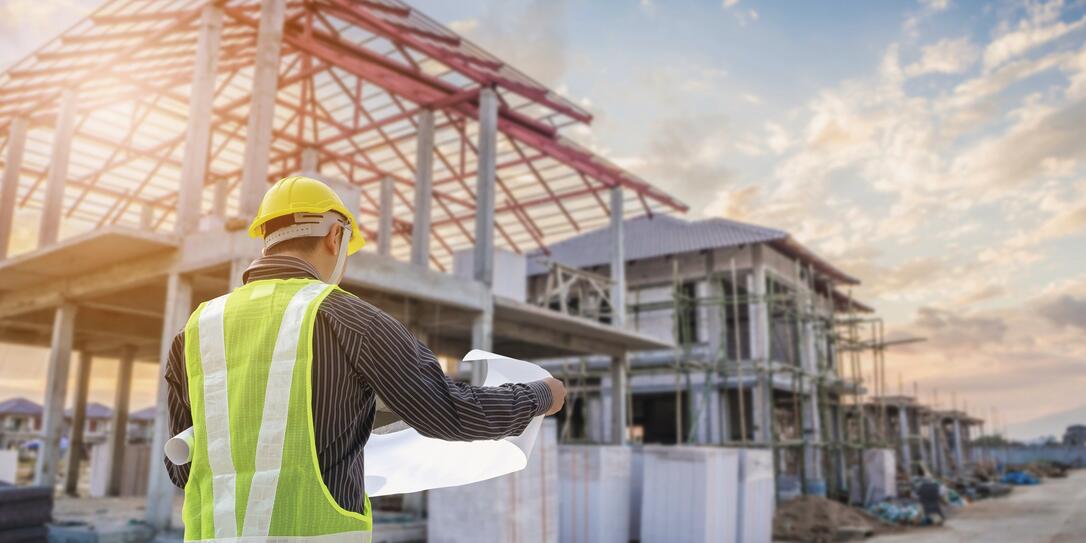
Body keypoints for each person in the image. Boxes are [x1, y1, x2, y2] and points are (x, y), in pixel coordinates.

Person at [164, 175, 566, 541]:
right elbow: (452, 413)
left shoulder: (196, 332)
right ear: (334, 237)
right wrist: (540, 395)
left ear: (266, 237)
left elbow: (182, 468)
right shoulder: (354, 322)